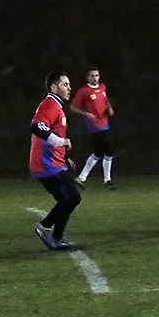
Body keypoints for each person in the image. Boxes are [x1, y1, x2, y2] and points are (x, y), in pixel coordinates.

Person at [30, 70, 81, 250]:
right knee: (70, 198)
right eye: (65, 84)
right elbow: (37, 127)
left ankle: (56, 237)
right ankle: (45, 228)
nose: (69, 88)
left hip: (55, 162)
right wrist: (61, 142)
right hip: (46, 165)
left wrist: (65, 156)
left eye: (69, 84)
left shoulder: (56, 106)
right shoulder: (50, 105)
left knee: (70, 199)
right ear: (53, 87)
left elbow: (53, 132)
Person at [70, 67, 117, 190]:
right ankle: (107, 180)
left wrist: (109, 108)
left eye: (97, 75)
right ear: (88, 77)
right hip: (95, 125)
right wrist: (87, 114)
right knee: (108, 150)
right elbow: (73, 107)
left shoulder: (102, 87)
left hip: (105, 122)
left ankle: (82, 178)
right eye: (92, 76)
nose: (95, 78)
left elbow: (105, 100)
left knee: (99, 152)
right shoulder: (83, 91)